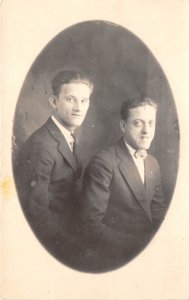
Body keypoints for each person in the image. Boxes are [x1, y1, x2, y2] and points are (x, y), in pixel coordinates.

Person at [13, 70, 94, 265]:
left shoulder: (66, 136)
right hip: (47, 246)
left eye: (84, 101)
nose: (78, 108)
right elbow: (36, 215)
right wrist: (76, 247)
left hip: (66, 230)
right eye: (70, 99)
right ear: (53, 102)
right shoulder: (42, 146)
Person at [81, 96, 166, 272]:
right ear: (122, 126)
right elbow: (90, 224)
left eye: (151, 123)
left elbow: (158, 212)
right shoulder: (103, 162)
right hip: (116, 259)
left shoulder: (153, 163)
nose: (146, 131)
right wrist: (140, 247)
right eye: (138, 123)